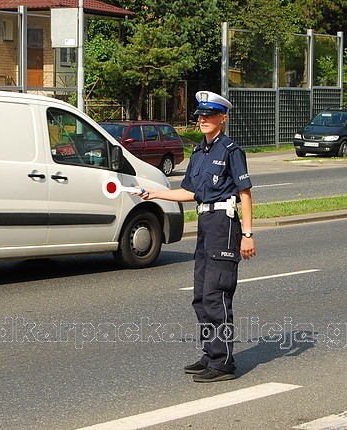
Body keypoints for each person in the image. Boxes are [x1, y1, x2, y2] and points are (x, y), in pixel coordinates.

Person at [140, 91, 256, 383]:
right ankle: (211, 353)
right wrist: (156, 193)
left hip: (224, 224)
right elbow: (190, 192)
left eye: (209, 115)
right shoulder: (200, 153)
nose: (203, 120)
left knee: (217, 295)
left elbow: (245, 194)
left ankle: (224, 363)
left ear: (223, 118)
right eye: (200, 116)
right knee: (201, 296)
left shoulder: (231, 150)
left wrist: (248, 234)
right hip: (205, 223)